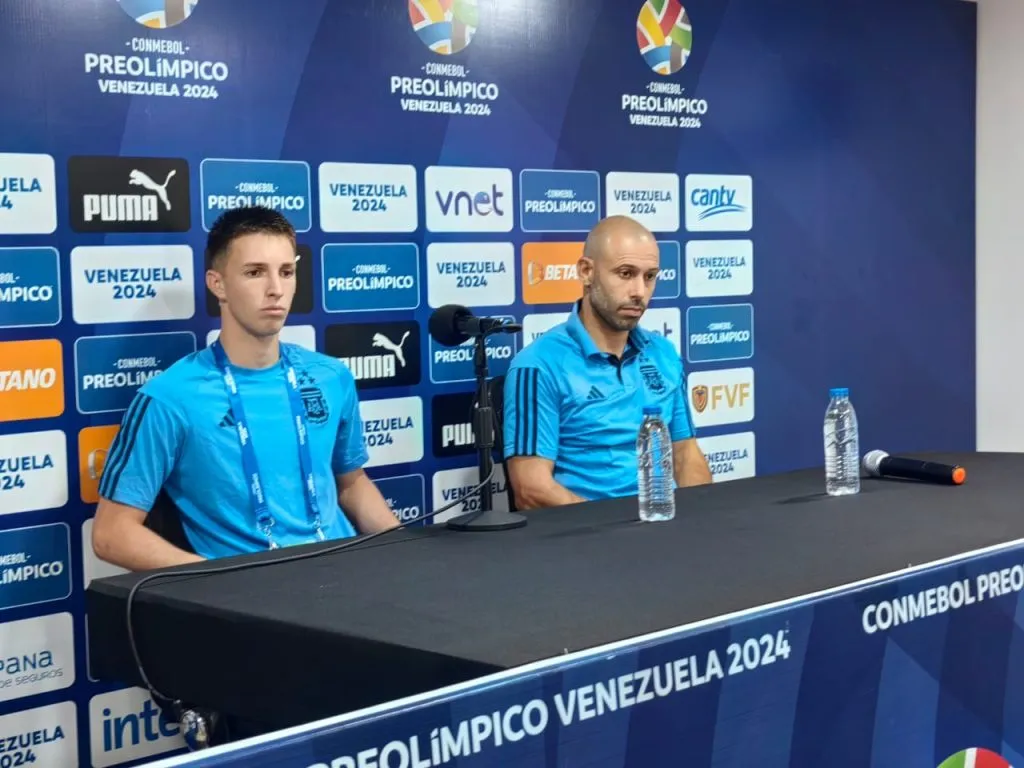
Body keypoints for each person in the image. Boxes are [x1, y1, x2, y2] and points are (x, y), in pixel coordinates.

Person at [92, 206, 399, 570]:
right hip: (251, 597)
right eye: (255, 273)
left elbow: (350, 483)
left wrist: (405, 550)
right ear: (217, 284)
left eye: (286, 272)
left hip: (347, 575)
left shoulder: (331, 376)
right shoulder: (169, 398)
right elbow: (111, 534)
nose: (276, 289)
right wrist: (216, 584)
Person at [502, 215, 712, 509]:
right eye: (626, 273)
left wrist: (696, 521)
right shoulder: (538, 365)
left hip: (665, 531)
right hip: (586, 539)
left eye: (649, 276)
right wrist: (608, 534)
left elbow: (685, 452)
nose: (639, 291)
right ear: (586, 271)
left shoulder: (663, 353)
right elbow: (531, 489)